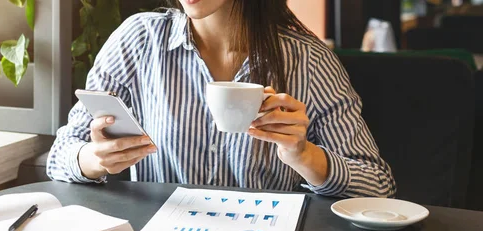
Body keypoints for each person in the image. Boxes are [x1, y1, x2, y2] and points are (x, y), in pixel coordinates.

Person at [47, 0, 396, 198]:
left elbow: (379, 187)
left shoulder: (308, 60)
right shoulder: (139, 41)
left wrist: (304, 156)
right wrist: (94, 158)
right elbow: (61, 154)